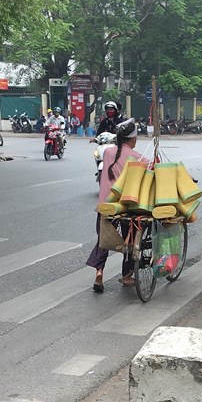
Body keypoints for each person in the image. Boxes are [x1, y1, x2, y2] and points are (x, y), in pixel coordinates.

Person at [86, 118, 147, 292]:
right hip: (125, 206)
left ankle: (99, 273)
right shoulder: (138, 157)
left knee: (103, 240)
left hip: (104, 204)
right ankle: (127, 275)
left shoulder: (107, 152)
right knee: (131, 237)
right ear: (132, 139)